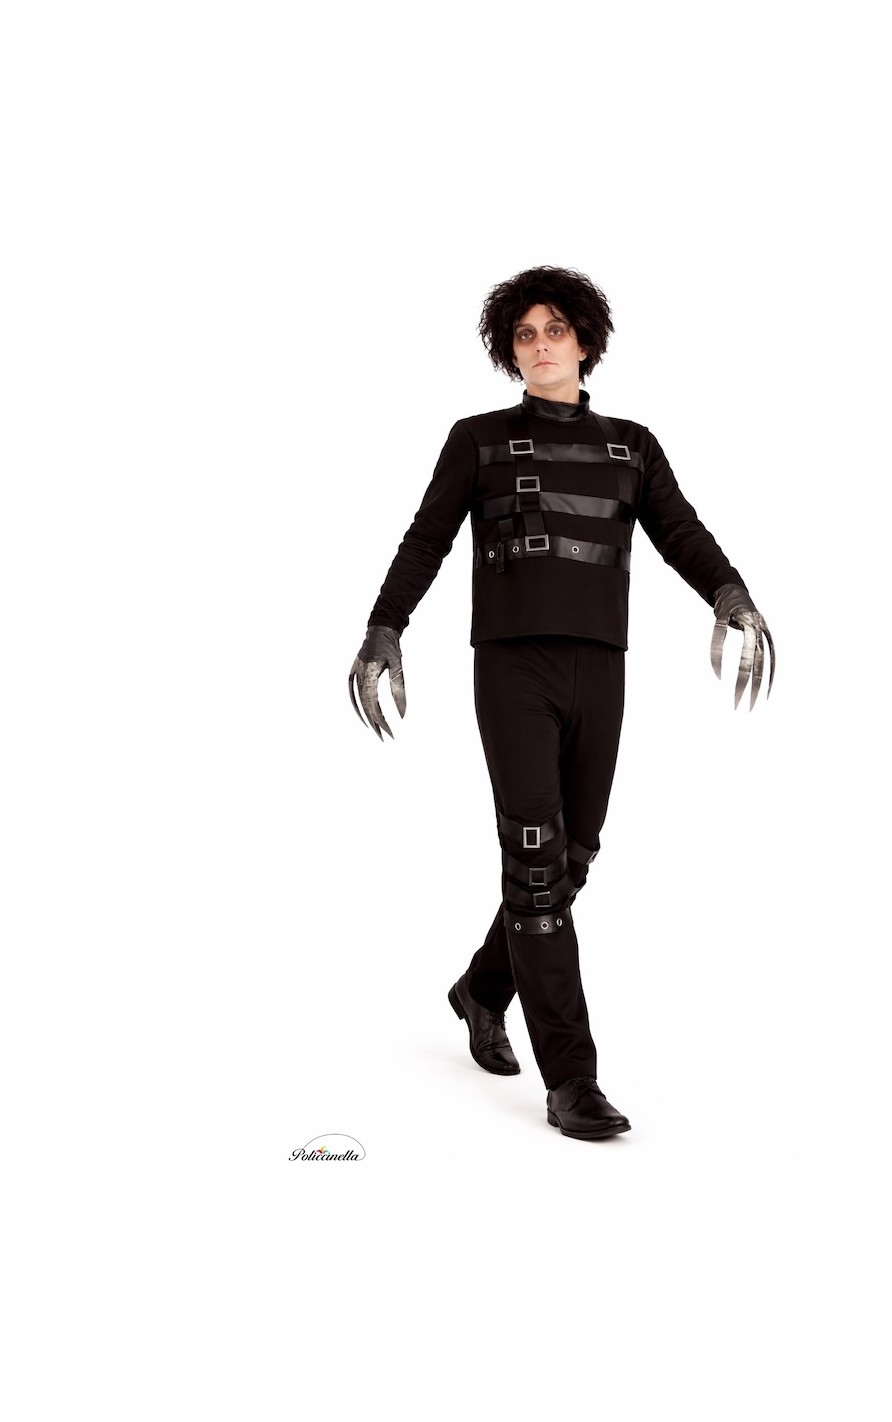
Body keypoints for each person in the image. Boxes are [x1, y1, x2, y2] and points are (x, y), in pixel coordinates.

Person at [349, 265, 774, 1141]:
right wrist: (384, 628)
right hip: (513, 671)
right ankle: (572, 1081)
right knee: (537, 868)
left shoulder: (632, 446)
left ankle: (481, 987)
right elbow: (426, 540)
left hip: (601, 667)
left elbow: (679, 531)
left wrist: (731, 594)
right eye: (524, 335)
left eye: (554, 330)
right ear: (509, 351)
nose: (540, 346)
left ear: (584, 341)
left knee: (573, 857)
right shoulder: (477, 440)